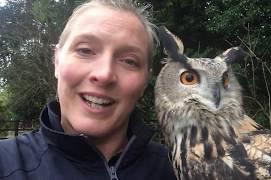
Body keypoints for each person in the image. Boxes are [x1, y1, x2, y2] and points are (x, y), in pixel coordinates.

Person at [0, 0, 177, 179]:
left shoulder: (178, 172)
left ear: (146, 80)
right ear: (57, 62)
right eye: (85, 50)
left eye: (129, 61)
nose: (105, 74)